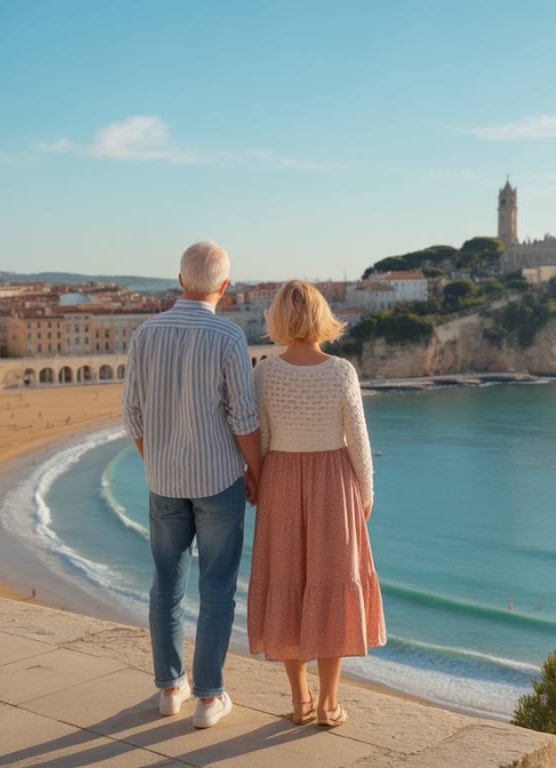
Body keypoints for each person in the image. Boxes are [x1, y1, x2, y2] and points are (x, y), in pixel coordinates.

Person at [122, 241, 261, 729]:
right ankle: (208, 698)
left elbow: (132, 414)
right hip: (218, 481)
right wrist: (256, 472)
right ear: (224, 285)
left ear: (181, 281)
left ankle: (169, 689)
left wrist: (155, 460)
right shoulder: (228, 337)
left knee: (166, 584)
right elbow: (243, 417)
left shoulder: (145, 334)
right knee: (218, 587)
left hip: (164, 481)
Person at [247, 280, 385, 728]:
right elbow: (359, 441)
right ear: (321, 316)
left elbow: (262, 439)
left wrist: (262, 485)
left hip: (282, 483)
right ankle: (329, 704)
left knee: (288, 583)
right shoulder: (341, 370)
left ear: (279, 319)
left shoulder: (265, 372)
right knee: (331, 586)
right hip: (334, 487)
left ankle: (300, 699)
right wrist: (365, 495)